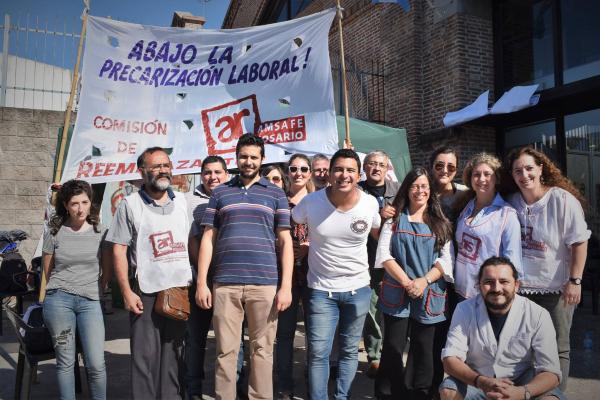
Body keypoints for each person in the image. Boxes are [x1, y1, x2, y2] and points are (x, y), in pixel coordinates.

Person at [195, 133, 293, 400]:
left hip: (265, 284)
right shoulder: (220, 193)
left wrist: (286, 287)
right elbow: (208, 238)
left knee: (262, 351)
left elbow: (285, 242)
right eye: (243, 156)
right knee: (225, 352)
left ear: (262, 159)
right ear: (236, 158)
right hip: (225, 283)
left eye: (253, 157)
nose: (248, 161)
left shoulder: (276, 194)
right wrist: (203, 282)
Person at [292, 148, 381, 399]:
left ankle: (342, 397)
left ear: (359, 174)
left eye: (350, 170)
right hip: (321, 291)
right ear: (329, 173)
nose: (344, 175)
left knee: (349, 351)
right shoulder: (310, 202)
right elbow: (292, 221)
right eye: (339, 169)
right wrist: (301, 246)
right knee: (319, 353)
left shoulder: (370, 203)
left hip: (359, 290)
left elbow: (378, 232)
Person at [107, 147, 193, 399]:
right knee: (144, 360)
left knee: (173, 359)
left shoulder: (182, 202)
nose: (163, 170)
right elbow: (119, 250)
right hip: (145, 292)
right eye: (156, 166)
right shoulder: (130, 205)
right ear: (142, 171)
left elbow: (193, 242)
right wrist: (125, 291)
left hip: (178, 290)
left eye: (166, 165)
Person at [507, 146, 590, 390]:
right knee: (524, 347)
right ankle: (530, 393)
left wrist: (575, 281)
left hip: (557, 289)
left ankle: (555, 396)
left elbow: (579, 241)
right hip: (522, 290)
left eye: (529, 168)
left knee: (557, 347)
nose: (524, 175)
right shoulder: (512, 202)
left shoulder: (562, 200)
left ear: (541, 168)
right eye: (518, 170)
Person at [374, 167, 454, 400]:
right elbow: (384, 255)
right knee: (393, 348)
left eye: (424, 186)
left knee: (423, 349)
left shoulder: (441, 223)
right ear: (407, 189)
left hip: (430, 292)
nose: (420, 191)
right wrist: (407, 282)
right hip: (397, 291)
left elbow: (446, 260)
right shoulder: (394, 220)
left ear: (431, 191)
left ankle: (420, 393)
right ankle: (390, 393)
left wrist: (423, 281)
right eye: (415, 186)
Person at [440, 256, 564, 400]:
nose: (497, 288)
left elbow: (551, 372)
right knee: (449, 391)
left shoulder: (538, 314)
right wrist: (481, 381)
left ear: (516, 285)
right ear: (479, 285)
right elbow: (450, 360)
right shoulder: (464, 309)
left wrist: (522, 392)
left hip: (521, 383)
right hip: (477, 381)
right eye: (488, 282)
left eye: (504, 281)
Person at [42, 180, 110, 400]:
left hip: (90, 302)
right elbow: (48, 271)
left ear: (91, 203)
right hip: (59, 302)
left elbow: (106, 272)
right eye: (74, 203)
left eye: (84, 202)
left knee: (96, 363)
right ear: (65, 204)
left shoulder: (101, 232)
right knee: (65, 362)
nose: (80, 208)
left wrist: (98, 290)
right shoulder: (54, 231)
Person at [184, 156, 229, 400]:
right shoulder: (187, 200)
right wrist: (203, 274)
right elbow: (192, 240)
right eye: (207, 172)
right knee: (195, 338)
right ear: (201, 175)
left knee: (231, 340)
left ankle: (234, 385)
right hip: (199, 279)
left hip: (229, 279)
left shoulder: (234, 195)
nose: (212, 177)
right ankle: (193, 389)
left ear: (226, 174)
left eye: (217, 172)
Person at [454, 152, 522, 300]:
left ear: (496, 178)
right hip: (460, 290)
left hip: (489, 294)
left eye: (487, 174)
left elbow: (513, 258)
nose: (481, 179)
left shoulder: (506, 214)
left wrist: (507, 294)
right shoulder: (465, 207)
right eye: (476, 174)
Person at [357, 150, 400, 378]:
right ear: (365, 167)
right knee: (372, 310)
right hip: (367, 261)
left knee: (394, 308)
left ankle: (393, 354)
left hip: (395, 261)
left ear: (387, 168)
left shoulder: (399, 191)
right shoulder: (357, 192)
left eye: (381, 164)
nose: (376, 168)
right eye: (371, 164)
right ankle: (375, 356)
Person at [276, 153, 313, 399]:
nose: (298, 172)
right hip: (285, 277)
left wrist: (310, 246)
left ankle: (314, 379)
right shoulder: (279, 201)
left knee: (315, 334)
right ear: (288, 172)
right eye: (293, 168)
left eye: (303, 168)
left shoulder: (320, 201)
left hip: (314, 275)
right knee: (285, 334)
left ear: (310, 172)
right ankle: (285, 384)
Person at [429, 146, 467, 222]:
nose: (445, 171)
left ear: (456, 171)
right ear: (431, 167)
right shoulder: (424, 194)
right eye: (439, 165)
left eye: (451, 167)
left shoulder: (465, 193)